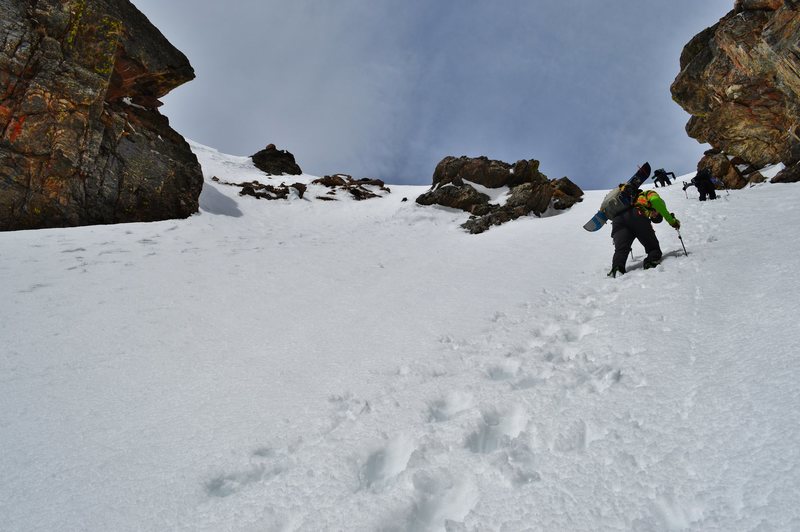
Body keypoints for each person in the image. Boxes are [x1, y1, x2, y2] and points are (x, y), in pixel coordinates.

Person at [608, 188, 680, 277]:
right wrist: (672, 221)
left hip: (617, 220)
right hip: (637, 213)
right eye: (656, 214)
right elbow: (655, 200)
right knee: (653, 248)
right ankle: (651, 262)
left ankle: (617, 268)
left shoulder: (632, 200)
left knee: (621, 249)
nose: (653, 215)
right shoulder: (649, 194)